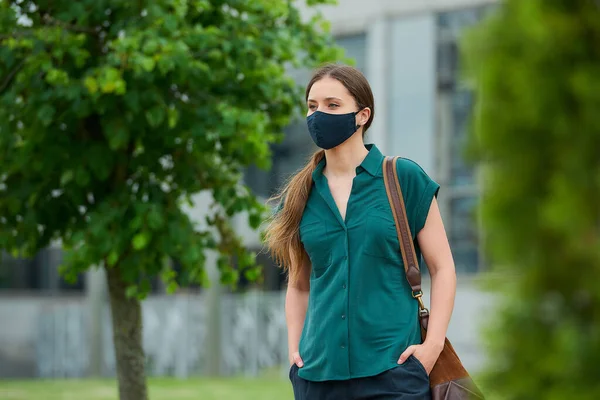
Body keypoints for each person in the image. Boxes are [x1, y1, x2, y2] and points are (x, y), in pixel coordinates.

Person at [264, 63, 457, 400]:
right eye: (312, 106)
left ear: (362, 115)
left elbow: (443, 268)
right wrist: (295, 351)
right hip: (318, 378)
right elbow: (298, 285)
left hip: (394, 371)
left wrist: (432, 346)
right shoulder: (301, 194)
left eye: (332, 105)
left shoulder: (402, 179)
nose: (318, 114)